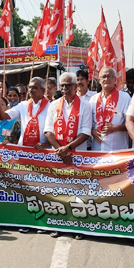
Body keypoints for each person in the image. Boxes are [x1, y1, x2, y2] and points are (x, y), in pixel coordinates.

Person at [0, 77, 50, 234]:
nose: (31, 90)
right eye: (29, 87)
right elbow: (4, 116)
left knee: (42, 188)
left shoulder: (51, 106)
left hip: (42, 153)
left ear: (42, 90)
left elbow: (53, 128)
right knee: (25, 188)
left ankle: (43, 221)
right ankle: (26, 220)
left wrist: (46, 144)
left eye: (34, 87)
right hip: (23, 153)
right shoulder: (22, 105)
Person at [44, 72, 92, 240]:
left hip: (78, 155)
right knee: (59, 190)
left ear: (75, 86)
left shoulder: (85, 106)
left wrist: (68, 148)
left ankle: (79, 226)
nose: (64, 89)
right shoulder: (53, 105)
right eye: (62, 85)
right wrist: (61, 151)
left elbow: (86, 132)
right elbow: (48, 131)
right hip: (59, 156)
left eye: (68, 85)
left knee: (79, 191)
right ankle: (58, 224)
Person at [90, 66, 131, 151]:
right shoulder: (93, 100)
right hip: (97, 150)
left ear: (115, 80)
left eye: (110, 76)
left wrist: (116, 128)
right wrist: (92, 131)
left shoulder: (125, 98)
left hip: (117, 150)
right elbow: (87, 123)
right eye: (104, 77)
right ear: (99, 80)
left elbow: (131, 123)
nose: (107, 79)